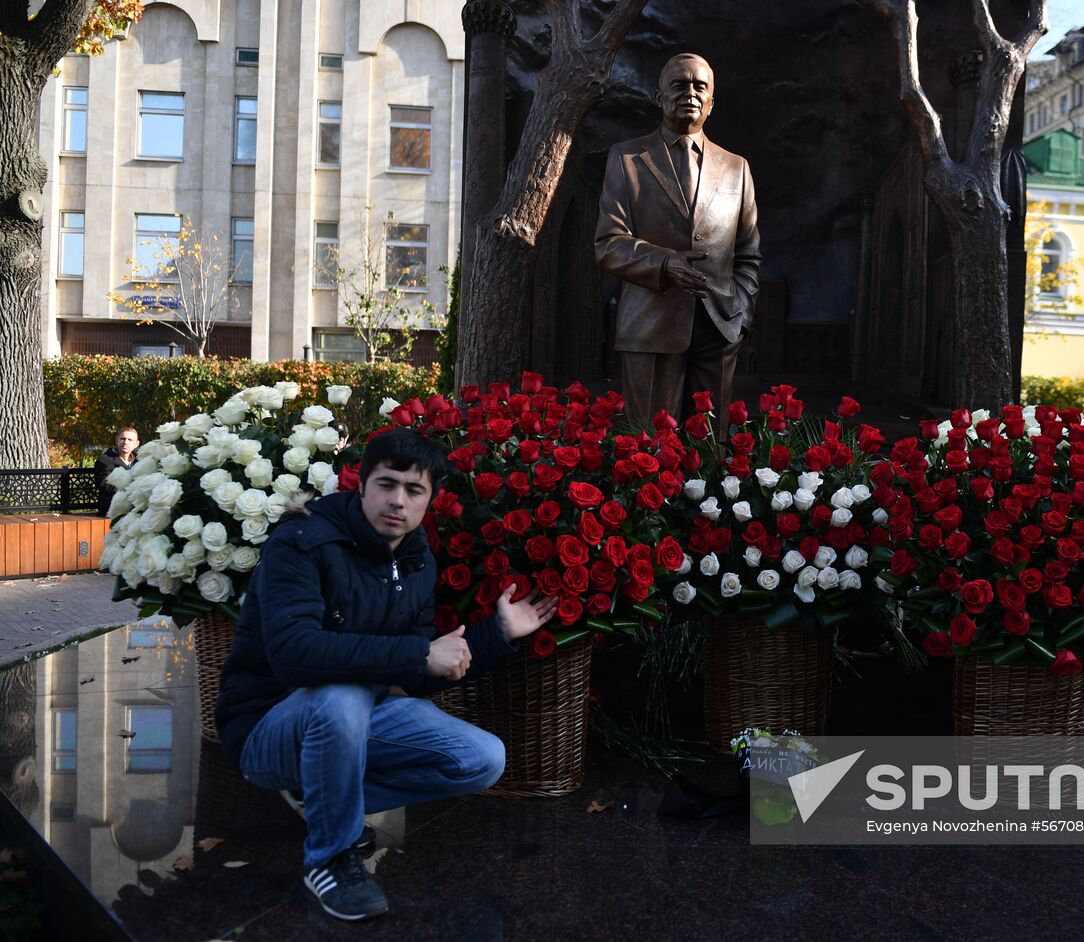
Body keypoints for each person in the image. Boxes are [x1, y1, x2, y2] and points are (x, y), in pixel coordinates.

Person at [214, 428, 557, 921]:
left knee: (482, 759)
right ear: (362, 484)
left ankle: (331, 802)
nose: (397, 501)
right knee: (343, 695)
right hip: (266, 727)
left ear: (429, 500)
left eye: (414, 490)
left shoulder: (416, 558)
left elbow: (421, 675)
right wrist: (417, 654)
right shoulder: (303, 540)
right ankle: (330, 857)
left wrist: (495, 635)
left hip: (355, 716)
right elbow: (293, 654)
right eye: (386, 484)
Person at [595, 52, 761, 435]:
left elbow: (749, 254)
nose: (690, 92)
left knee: (711, 454)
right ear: (658, 96)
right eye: (679, 84)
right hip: (650, 327)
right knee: (649, 451)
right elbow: (608, 242)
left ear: (712, 102)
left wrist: (740, 314)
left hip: (719, 330)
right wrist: (664, 264)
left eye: (700, 86)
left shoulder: (737, 168)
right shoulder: (627, 159)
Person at [94, 427, 139, 516]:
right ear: (117, 440)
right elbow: (105, 485)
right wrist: (132, 486)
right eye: (123, 439)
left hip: (136, 502)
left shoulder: (140, 459)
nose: (126, 442)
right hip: (113, 504)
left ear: (136, 444)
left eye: (130, 440)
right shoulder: (105, 460)